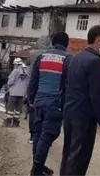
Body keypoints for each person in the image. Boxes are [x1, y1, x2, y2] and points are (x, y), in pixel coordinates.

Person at [60, 25, 100, 176]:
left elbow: (64, 84)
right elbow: (97, 94)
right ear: (99, 40)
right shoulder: (95, 61)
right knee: (79, 158)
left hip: (69, 113)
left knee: (68, 153)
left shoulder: (74, 58)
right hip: (84, 117)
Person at [27, 32, 72, 176]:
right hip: (55, 104)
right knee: (48, 135)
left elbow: (33, 81)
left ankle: (39, 166)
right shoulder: (68, 59)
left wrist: (32, 100)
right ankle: (37, 169)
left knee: (38, 135)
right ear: (67, 44)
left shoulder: (41, 57)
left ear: (52, 42)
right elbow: (68, 85)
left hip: (39, 102)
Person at [27, 36, 52, 144]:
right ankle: (43, 136)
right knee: (45, 112)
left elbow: (28, 64)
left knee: (33, 110)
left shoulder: (32, 53)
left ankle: (33, 135)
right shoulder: (51, 54)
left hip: (33, 84)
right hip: (46, 86)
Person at [4, 58, 30, 127]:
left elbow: (11, 81)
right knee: (18, 110)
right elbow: (28, 83)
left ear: (16, 64)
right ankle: (16, 123)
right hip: (22, 94)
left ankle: (8, 123)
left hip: (13, 93)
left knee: (10, 109)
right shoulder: (26, 71)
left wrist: (7, 87)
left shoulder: (15, 71)